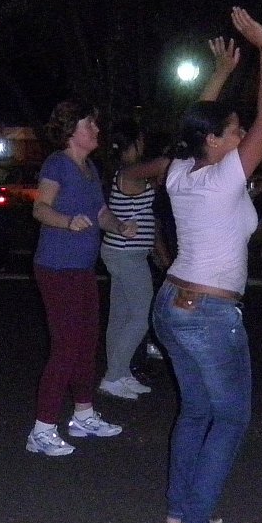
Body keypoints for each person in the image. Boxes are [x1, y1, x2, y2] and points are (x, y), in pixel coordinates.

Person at [151, 7, 262, 523]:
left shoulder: (181, 173)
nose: (244, 134)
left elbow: (193, 121)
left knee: (197, 411)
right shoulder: (224, 176)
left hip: (172, 303)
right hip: (209, 312)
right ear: (213, 141)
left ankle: (181, 512)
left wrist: (223, 71)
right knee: (230, 418)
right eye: (234, 131)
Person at [25, 99, 139, 455]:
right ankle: (42, 430)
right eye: (90, 124)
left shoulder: (89, 168)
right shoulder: (57, 163)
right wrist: (67, 221)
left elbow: (101, 212)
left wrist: (118, 225)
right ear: (71, 130)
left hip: (82, 268)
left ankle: (83, 415)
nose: (97, 130)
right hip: (56, 267)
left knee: (87, 343)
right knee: (66, 346)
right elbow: (40, 208)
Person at [97, 120, 160, 400]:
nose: (144, 145)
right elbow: (162, 165)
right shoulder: (130, 171)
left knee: (121, 316)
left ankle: (119, 373)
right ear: (132, 144)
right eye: (141, 140)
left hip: (123, 251)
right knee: (141, 316)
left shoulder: (124, 172)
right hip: (126, 253)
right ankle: (113, 376)